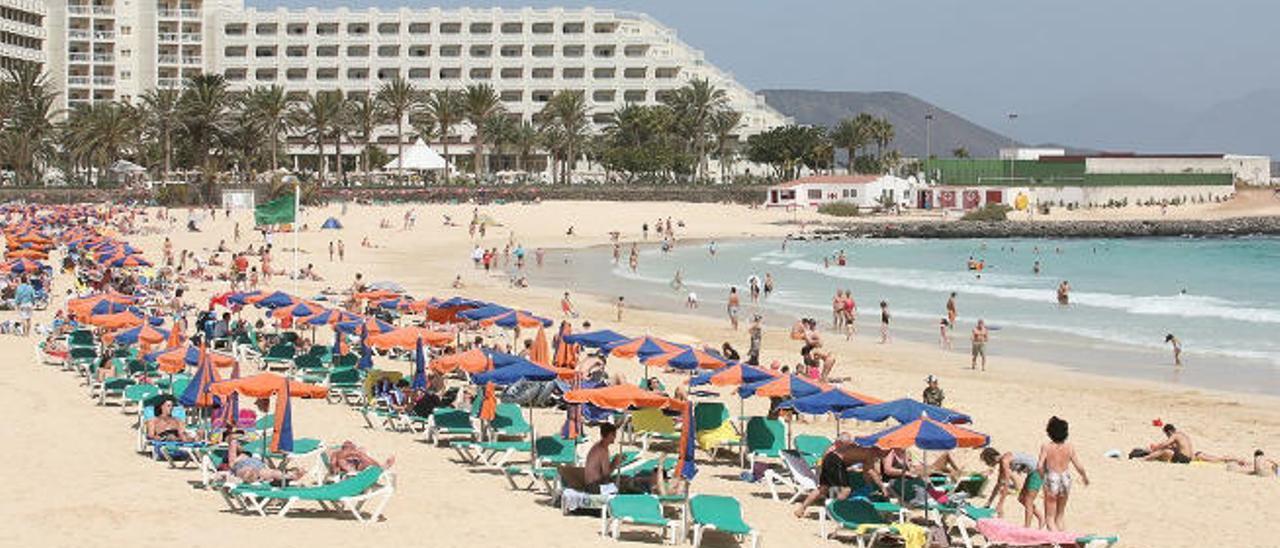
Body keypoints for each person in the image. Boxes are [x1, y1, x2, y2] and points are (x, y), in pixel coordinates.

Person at [1038, 416, 1089, 532]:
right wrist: (1084, 477)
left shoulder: (1046, 446)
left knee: (1049, 518)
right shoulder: (1070, 447)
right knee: (1060, 516)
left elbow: (1040, 466)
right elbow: (1078, 465)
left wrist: (1042, 479)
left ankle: (1056, 543)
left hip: (1052, 477)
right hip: (1065, 478)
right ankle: (1064, 541)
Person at [981, 447, 1044, 528]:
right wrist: (989, 502)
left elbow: (1006, 484)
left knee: (1028, 501)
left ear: (990, 458)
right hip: (1032, 472)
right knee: (1021, 499)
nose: (987, 464)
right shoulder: (1002, 461)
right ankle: (1041, 518)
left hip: (1037, 471)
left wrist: (1000, 504)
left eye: (986, 461)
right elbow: (999, 484)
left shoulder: (1004, 461)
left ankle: (1027, 528)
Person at [326, 440, 395, 475]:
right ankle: (380, 468)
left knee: (361, 457)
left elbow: (332, 463)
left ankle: (380, 467)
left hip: (348, 469)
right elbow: (362, 456)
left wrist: (334, 468)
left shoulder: (336, 453)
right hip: (350, 471)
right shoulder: (345, 453)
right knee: (361, 456)